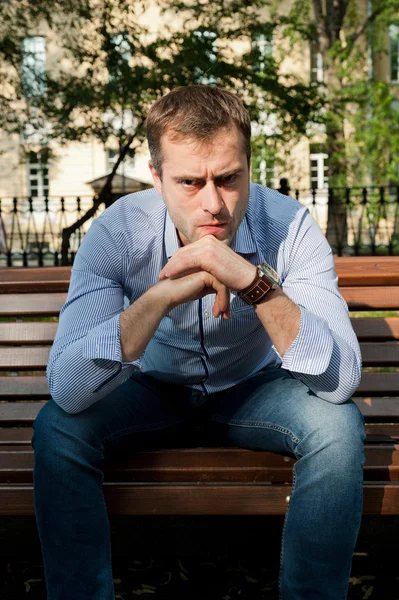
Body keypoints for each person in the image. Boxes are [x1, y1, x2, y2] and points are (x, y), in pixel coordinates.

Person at [32, 85, 365, 600]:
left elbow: (341, 380)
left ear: (250, 166)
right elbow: (69, 390)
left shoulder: (290, 225)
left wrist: (254, 283)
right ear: (156, 176)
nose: (213, 204)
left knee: (338, 427)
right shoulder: (118, 232)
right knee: (58, 430)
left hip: (253, 391)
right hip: (152, 390)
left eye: (230, 179)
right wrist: (158, 297)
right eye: (189, 182)